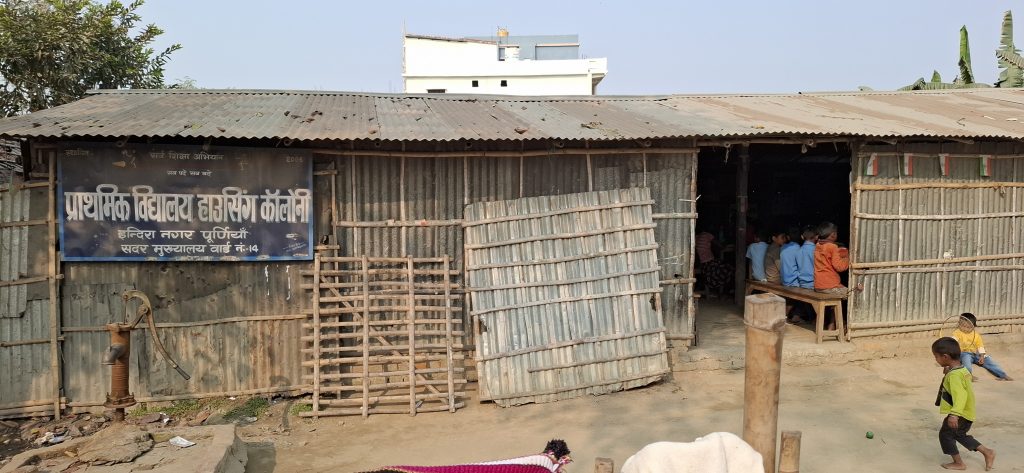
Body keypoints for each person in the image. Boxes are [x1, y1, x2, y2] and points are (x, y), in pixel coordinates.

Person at [931, 337, 996, 471]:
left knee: (945, 435)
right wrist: (948, 372)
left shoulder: (954, 376)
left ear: (945, 357)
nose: (936, 360)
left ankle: (959, 463)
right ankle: (987, 452)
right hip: (966, 411)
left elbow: (960, 395)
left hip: (960, 413)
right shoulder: (962, 370)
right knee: (959, 435)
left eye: (936, 357)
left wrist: (954, 415)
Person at [953, 313, 1013, 381]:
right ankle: (968, 375)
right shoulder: (957, 333)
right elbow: (953, 340)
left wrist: (982, 356)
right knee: (967, 363)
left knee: (989, 361)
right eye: (963, 326)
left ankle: (1003, 375)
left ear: (973, 327)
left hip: (975, 354)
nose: (965, 329)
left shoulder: (976, 335)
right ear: (959, 324)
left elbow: (980, 346)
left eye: (968, 327)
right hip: (964, 353)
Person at [695, 227, 733, 298]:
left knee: (722, 265)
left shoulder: (696, 237)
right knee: (729, 268)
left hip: (703, 266)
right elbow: (720, 246)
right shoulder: (707, 235)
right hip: (710, 265)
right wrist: (726, 243)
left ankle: (722, 290)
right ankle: (724, 291)